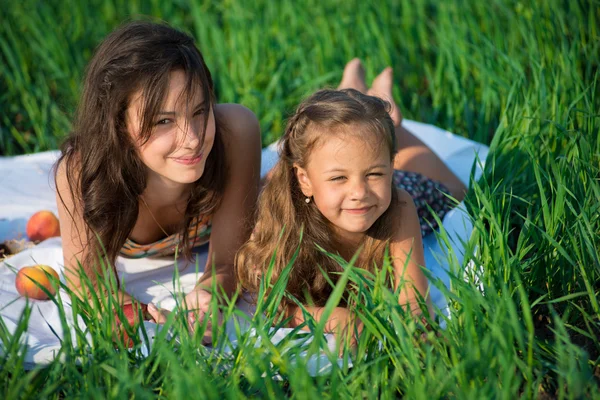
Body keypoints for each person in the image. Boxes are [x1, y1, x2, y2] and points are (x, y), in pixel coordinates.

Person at [54, 21, 261, 334]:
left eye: (199, 111)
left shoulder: (234, 133)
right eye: (164, 120)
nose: (191, 138)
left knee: (337, 137)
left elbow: (227, 263)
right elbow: (90, 284)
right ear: (117, 123)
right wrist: (148, 319)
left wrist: (209, 298)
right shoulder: (82, 172)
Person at [236, 60, 465, 342]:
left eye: (375, 173)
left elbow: (415, 304)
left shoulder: (398, 208)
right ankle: (355, 98)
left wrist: (419, 342)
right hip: (302, 192)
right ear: (304, 180)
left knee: (455, 190)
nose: (359, 192)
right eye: (338, 178)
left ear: (391, 167)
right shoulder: (284, 219)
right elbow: (269, 306)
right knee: (275, 178)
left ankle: (386, 115)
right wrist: (334, 317)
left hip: (400, 186)